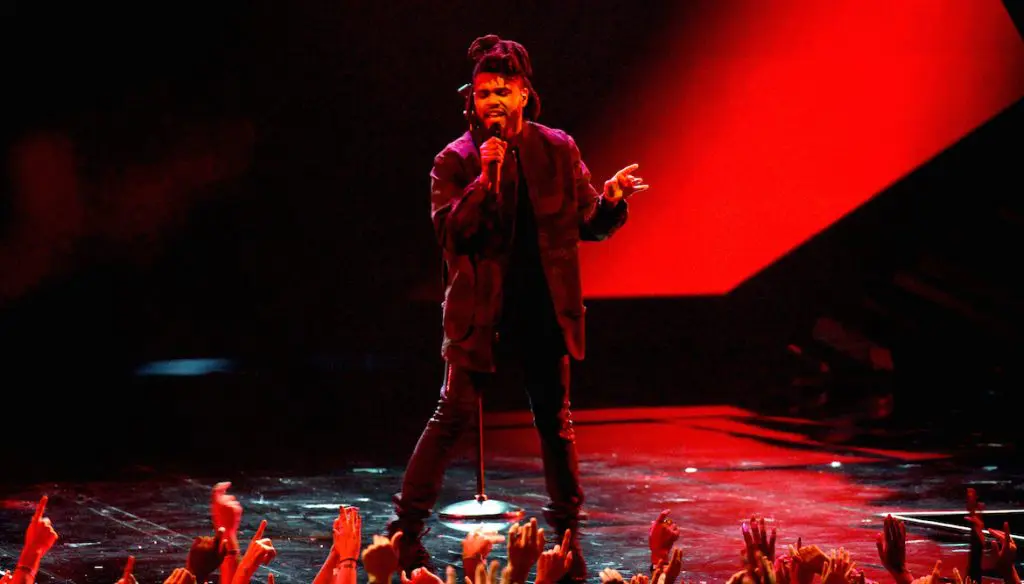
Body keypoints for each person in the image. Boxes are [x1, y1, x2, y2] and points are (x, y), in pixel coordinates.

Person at [388, 34, 649, 582]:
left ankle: (568, 541)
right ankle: (405, 536)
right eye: (483, 93)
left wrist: (611, 202)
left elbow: (588, 225)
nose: (492, 101)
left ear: (524, 94)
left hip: (543, 311)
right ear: (472, 100)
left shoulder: (558, 149)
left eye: (502, 91)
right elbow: (451, 234)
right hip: (480, 315)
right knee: (450, 417)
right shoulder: (455, 160)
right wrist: (486, 178)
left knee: (555, 424)